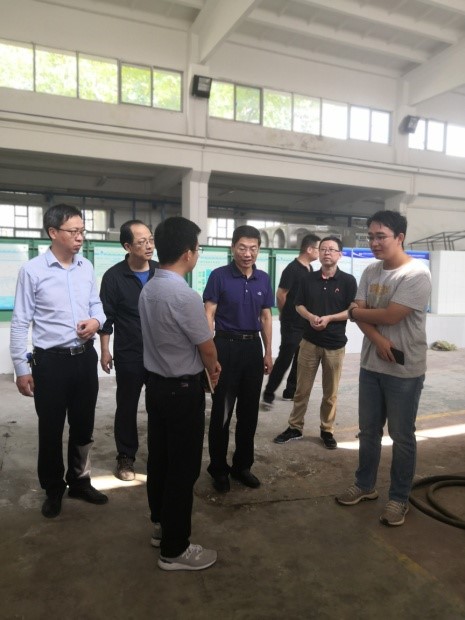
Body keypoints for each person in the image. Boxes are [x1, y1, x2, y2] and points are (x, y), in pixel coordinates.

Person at [10, 203, 108, 519]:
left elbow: (97, 305)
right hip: (50, 363)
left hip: (84, 359)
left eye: (82, 231)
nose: (80, 237)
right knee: (51, 429)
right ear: (53, 232)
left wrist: (96, 321)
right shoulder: (32, 271)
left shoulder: (86, 267)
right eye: (73, 231)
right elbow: (20, 321)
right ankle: (53, 489)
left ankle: (79, 481)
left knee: (83, 425)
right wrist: (21, 368)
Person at [336, 210, 431, 527]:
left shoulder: (415, 274)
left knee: (401, 436)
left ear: (399, 237)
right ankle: (365, 485)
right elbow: (360, 312)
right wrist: (376, 339)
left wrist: (355, 313)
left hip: (404, 371)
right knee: (368, 432)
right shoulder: (371, 270)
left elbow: (390, 315)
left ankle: (399, 498)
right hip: (372, 365)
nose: (374, 243)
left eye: (381, 237)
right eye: (371, 237)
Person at [139, 216, 221, 571]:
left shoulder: (149, 288)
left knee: (160, 459)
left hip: (156, 387)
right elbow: (206, 347)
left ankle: (161, 526)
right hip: (182, 390)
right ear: (188, 252)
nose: (197, 254)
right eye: (198, 248)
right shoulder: (184, 295)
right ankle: (175, 549)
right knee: (182, 469)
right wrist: (213, 368)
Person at [203, 225, 274, 493]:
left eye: (253, 248)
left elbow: (265, 317)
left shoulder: (263, 278)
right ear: (233, 248)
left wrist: (268, 351)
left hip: (252, 348)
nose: (247, 254)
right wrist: (209, 353)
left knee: (249, 413)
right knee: (221, 412)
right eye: (242, 248)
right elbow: (209, 313)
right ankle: (218, 469)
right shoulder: (219, 276)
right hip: (225, 346)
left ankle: (242, 466)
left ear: (259, 250)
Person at [274, 236, 357, 449]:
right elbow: (298, 305)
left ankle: (327, 430)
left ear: (340, 255)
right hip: (309, 342)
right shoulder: (307, 279)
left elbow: (352, 311)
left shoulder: (348, 281)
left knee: (330, 393)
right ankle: (295, 427)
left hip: (334, 345)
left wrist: (329, 318)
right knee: (301, 390)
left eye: (332, 249)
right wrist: (310, 317)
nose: (327, 252)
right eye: (323, 249)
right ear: (318, 253)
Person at [99, 220, 158, 481]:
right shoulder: (113, 277)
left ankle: (158, 455)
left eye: (151, 240)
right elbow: (106, 318)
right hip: (129, 353)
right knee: (126, 406)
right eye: (142, 242)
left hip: (160, 354)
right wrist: (105, 351)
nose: (149, 246)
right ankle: (125, 456)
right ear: (127, 246)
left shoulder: (161, 272)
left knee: (159, 405)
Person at [262, 234, 320, 406]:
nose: (320, 252)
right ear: (309, 249)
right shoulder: (292, 269)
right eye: (318, 248)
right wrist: (285, 314)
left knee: (301, 358)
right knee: (285, 357)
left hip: (305, 322)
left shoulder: (309, 269)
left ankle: (290, 391)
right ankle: (269, 392)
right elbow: (281, 294)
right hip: (292, 322)